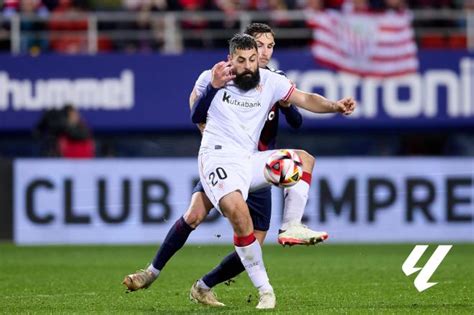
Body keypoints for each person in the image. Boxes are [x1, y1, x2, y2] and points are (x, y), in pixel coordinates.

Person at [122, 23, 327, 299]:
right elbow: (196, 108)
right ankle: (151, 272)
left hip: (259, 167)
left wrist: (288, 106)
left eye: (269, 46)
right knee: (194, 215)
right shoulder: (220, 77)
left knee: (253, 243)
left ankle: (204, 286)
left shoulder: (275, 82)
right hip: (224, 163)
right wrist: (209, 135)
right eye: (258, 45)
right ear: (241, 51)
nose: (264, 52)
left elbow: (298, 121)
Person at [186, 34, 354, 309]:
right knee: (239, 222)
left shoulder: (271, 80)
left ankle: (291, 226)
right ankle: (265, 292)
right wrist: (214, 87)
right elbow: (196, 114)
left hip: (250, 160)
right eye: (243, 59)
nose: (251, 64)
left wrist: (335, 106)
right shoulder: (212, 77)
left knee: (303, 160)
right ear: (231, 59)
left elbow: (306, 99)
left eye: (254, 58)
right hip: (218, 160)